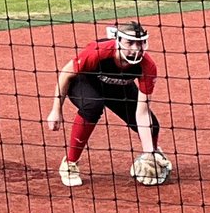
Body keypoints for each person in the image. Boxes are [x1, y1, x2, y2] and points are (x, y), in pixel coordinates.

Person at [47, 21, 172, 188]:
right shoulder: (98, 52)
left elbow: (142, 113)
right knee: (93, 106)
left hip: (118, 87)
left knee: (152, 126)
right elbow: (66, 73)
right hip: (85, 83)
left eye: (140, 43)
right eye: (130, 43)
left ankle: (152, 157)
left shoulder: (147, 66)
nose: (136, 49)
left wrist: (148, 151)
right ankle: (70, 164)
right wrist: (56, 110)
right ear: (118, 41)